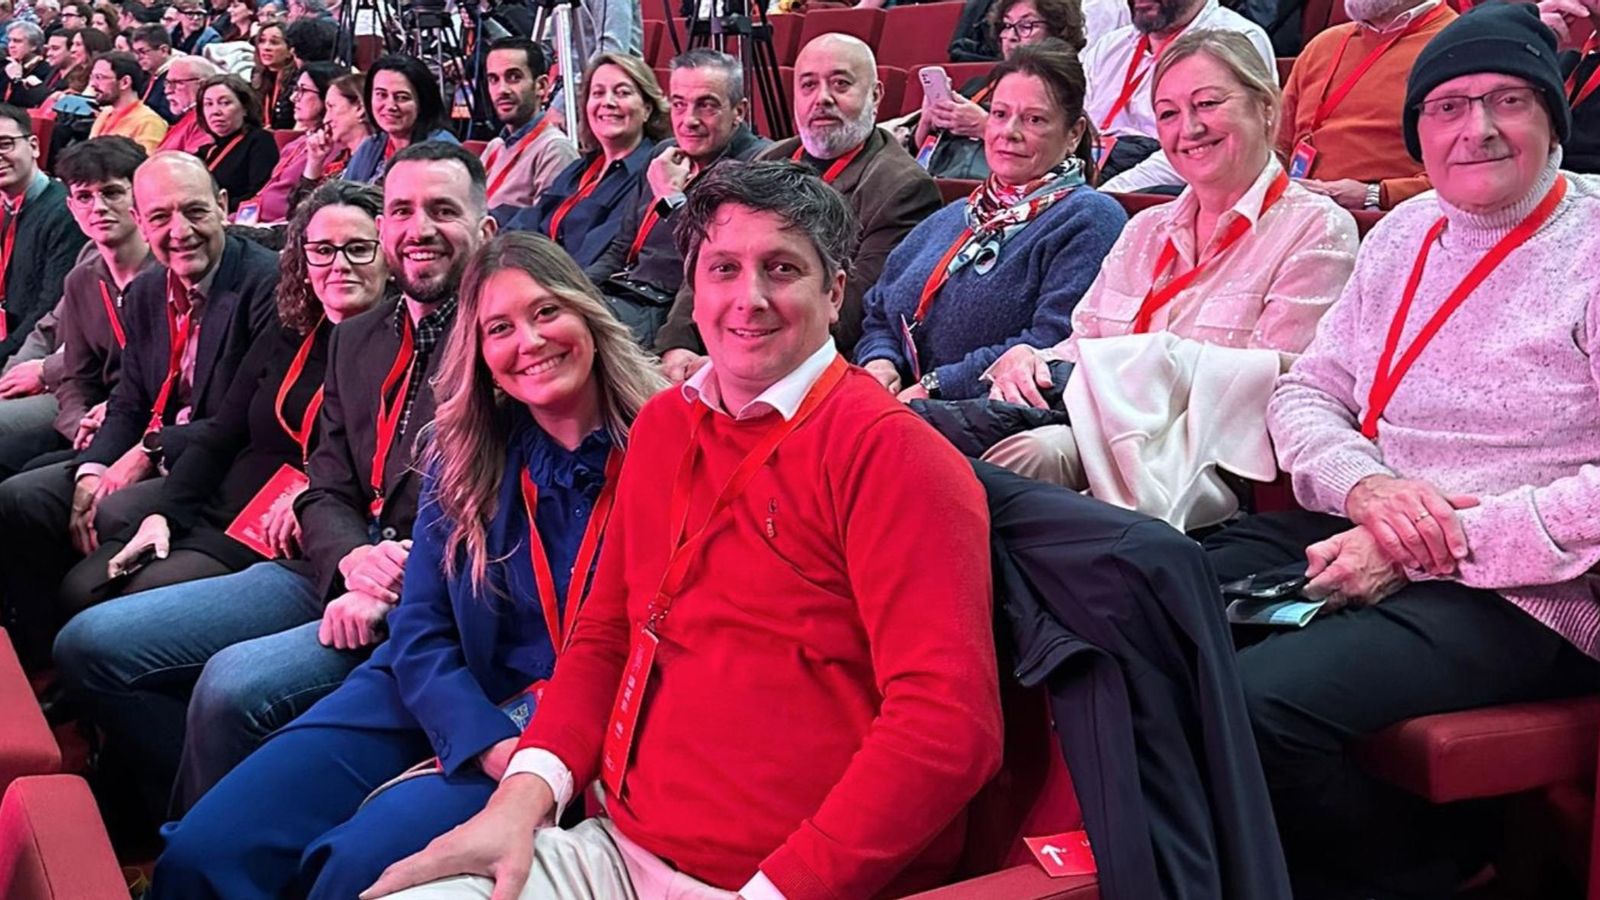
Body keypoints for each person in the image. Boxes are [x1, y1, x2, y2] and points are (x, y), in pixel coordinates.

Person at [362, 158, 1001, 900]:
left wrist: (781, 889)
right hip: (616, 846)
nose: (749, 298)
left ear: (834, 293)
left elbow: (947, 727)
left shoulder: (896, 457)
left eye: (782, 268)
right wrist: (521, 800)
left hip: (783, 883)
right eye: (724, 269)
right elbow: (605, 635)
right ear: (693, 289)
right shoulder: (665, 424)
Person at [1198, 6, 1600, 896]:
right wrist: (1369, 491)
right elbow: (1307, 393)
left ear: (1553, 117)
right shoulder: (1402, 234)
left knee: (1256, 705)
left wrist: (1430, 543)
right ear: (1418, 132)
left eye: (1508, 100)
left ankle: (1429, 870)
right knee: (1151, 595)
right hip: (1374, 521)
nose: (1477, 128)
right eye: (1448, 107)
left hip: (1533, 585)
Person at [150, 227, 664, 900]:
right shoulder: (464, 454)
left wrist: (534, 761)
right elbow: (420, 628)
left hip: (577, 729)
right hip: (431, 692)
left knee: (351, 870)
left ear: (589, 315)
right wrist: (481, 738)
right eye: (499, 328)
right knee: (207, 850)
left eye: (547, 311)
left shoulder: (667, 446)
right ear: (480, 354)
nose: (530, 341)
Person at [136, 142, 495, 811]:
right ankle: (174, 819)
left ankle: (206, 843)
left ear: (486, 228)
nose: (419, 229)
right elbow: (325, 484)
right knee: (92, 646)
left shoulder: (501, 341)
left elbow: (493, 510)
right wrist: (352, 558)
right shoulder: (359, 336)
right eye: (402, 212)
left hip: (424, 594)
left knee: (231, 687)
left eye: (443, 210)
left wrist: (392, 581)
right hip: (333, 563)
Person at [54, 179, 388, 828]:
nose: (338, 265)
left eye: (358, 248)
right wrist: (165, 514)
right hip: (236, 505)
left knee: (103, 623)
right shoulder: (296, 327)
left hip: (289, 539)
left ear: (389, 254)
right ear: (301, 259)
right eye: (321, 250)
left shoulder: (399, 343)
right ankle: (145, 780)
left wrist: (315, 498)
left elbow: (358, 471)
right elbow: (224, 430)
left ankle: (173, 807)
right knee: (84, 592)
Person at [982, 31, 1357, 530]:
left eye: (1208, 104)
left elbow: (1276, 384)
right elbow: (1083, 343)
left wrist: (1141, 373)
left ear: (1266, 107)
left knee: (1027, 459)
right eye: (1168, 113)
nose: (1190, 128)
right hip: (1095, 425)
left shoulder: (1316, 227)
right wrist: (1032, 360)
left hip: (1199, 459)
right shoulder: (1145, 228)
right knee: (964, 448)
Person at [0, 151, 276, 669]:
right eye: (160, 217)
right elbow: (129, 399)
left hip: (216, 465)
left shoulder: (264, 285)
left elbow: (240, 422)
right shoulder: (149, 288)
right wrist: (93, 470)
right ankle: (39, 669)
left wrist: (149, 451)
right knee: (21, 500)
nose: (180, 232)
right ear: (141, 222)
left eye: (194, 211)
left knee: (92, 563)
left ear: (222, 205)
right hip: (151, 447)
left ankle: (83, 668)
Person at [856, 40, 1123, 404]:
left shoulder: (1090, 217)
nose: (1008, 132)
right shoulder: (955, 214)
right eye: (999, 114)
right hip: (897, 402)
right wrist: (880, 360)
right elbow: (880, 310)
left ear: (1073, 134)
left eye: (1034, 119)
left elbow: (1055, 340)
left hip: (984, 415)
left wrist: (936, 385)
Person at [656, 34, 941, 371]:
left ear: (875, 95)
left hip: (805, 361)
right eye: (808, 85)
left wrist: (733, 354)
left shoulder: (902, 188)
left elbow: (852, 311)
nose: (822, 98)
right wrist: (679, 345)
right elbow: (710, 259)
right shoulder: (769, 158)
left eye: (840, 84)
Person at [586, 48, 767, 347]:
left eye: (706, 105)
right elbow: (621, 248)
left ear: (739, 111)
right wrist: (575, 290)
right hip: (624, 293)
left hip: (673, 312)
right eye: (679, 104)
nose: (689, 120)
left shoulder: (756, 165)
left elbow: (718, 256)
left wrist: (670, 196)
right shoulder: (664, 153)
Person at [0, 137, 152, 481]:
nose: (98, 207)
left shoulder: (167, 270)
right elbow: (53, 326)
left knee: (22, 486)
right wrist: (13, 373)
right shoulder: (87, 265)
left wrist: (44, 371)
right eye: (85, 197)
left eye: (111, 193)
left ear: (139, 198)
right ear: (71, 205)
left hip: (132, 413)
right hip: (83, 406)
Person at [1277, 0, 1455, 211]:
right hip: (1297, 211)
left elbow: (1473, 174)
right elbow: (1276, 148)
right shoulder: (1323, 44)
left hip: (1389, 217)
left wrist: (1377, 194)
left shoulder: (1457, 47)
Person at [1086, 0, 1274, 191]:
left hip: (1168, 187)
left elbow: (1203, 145)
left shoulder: (1236, 37)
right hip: (1097, 170)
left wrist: (1110, 192)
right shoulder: (1109, 46)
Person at [503, 52, 667, 269]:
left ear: (647, 109)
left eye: (622, 93)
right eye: (598, 93)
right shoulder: (579, 169)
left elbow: (598, 255)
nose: (608, 102)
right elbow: (531, 221)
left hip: (574, 283)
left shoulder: (651, 176)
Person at [907, 0, 1089, 180]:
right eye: (1007, 25)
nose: (1011, 36)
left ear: (1058, 30)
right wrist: (927, 122)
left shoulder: (1070, 91)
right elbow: (923, 156)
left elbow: (1087, 163)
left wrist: (984, 126)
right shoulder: (976, 86)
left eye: (1026, 25)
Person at [0, 104, 87, 366]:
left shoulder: (65, 213)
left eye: (5, 144)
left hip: (30, 353)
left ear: (34, 146)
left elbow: (49, 309)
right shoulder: (5, 206)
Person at [479, 37, 577, 211]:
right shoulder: (495, 147)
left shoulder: (555, 149)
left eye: (514, 77)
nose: (502, 90)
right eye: (494, 79)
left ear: (541, 86)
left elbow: (546, 224)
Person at [243, 60, 339, 223]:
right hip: (254, 220)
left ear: (327, 96)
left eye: (304, 91)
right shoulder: (297, 142)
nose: (293, 98)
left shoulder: (331, 147)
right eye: (296, 89)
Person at [344, 55, 457, 184]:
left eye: (402, 97)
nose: (390, 106)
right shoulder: (371, 146)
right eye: (381, 95)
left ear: (423, 101)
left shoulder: (442, 153)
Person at [194, 73, 278, 210]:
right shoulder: (206, 151)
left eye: (225, 103)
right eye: (208, 104)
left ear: (245, 108)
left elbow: (259, 194)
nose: (215, 111)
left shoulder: (260, 141)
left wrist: (214, 208)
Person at [87, 50, 166, 151]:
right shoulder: (106, 113)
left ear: (125, 82)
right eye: (92, 77)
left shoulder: (149, 122)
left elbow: (144, 160)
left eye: (99, 77)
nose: (92, 84)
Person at [155, 53, 218, 152]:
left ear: (202, 84)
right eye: (167, 83)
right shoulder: (187, 118)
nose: (167, 90)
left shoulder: (204, 121)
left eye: (177, 83)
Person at [129, 23, 177, 122]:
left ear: (163, 50)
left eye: (142, 52)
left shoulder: (176, 78)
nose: (138, 58)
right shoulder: (147, 76)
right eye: (135, 53)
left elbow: (166, 116)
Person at [250, 21, 292, 129]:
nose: (266, 47)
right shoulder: (256, 74)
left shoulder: (295, 81)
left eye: (274, 42)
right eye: (262, 41)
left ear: (290, 51)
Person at [2, 21, 55, 107]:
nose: (11, 45)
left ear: (33, 46)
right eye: (10, 40)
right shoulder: (5, 64)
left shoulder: (45, 70)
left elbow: (28, 101)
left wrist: (16, 79)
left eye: (17, 41)